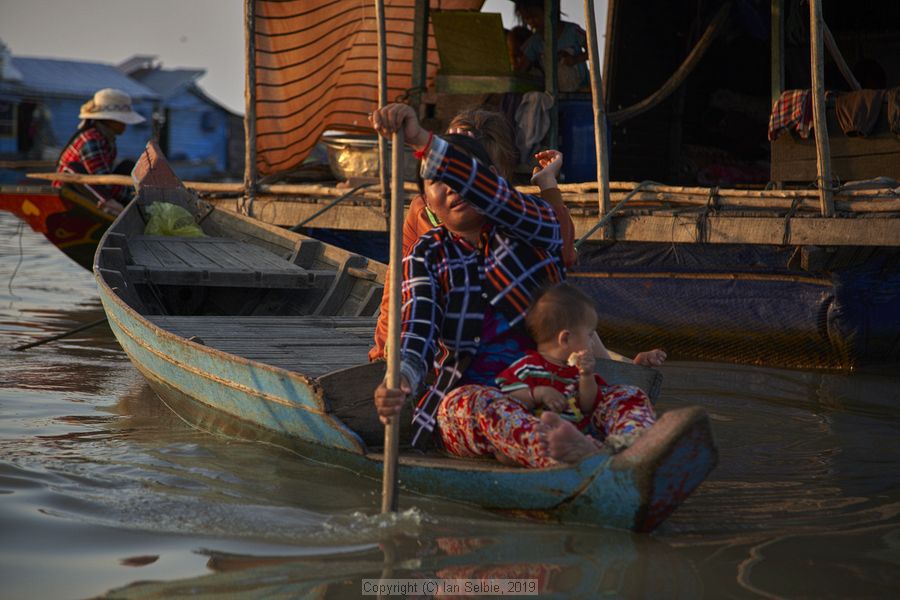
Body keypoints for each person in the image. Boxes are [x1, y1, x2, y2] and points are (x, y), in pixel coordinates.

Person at [367, 108, 578, 362]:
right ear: (427, 195)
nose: (458, 187)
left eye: (471, 173)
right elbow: (407, 303)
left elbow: (560, 249)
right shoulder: (427, 245)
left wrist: (547, 185)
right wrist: (388, 356)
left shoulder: (520, 222)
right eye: (444, 174)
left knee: (580, 323)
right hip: (467, 360)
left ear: (497, 176)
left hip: (534, 362)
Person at [495, 282, 657, 452]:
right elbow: (509, 398)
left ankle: (628, 439)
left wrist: (586, 377)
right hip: (539, 435)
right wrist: (536, 393)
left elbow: (588, 405)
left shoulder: (578, 371)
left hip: (579, 436)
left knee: (630, 393)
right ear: (565, 339)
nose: (592, 342)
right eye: (589, 335)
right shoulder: (526, 367)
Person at [55, 88, 145, 215]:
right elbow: (102, 182)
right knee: (72, 169)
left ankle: (125, 206)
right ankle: (112, 206)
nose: (125, 125)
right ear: (109, 120)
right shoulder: (92, 139)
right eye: (122, 120)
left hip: (95, 187)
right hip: (74, 190)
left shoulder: (106, 139)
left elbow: (106, 178)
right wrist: (135, 198)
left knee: (128, 166)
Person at [513, 0, 590, 92]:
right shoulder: (534, 42)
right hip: (555, 97)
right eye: (527, 19)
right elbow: (521, 70)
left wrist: (575, 59)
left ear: (549, 11)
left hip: (582, 92)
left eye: (534, 16)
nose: (531, 22)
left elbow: (592, 51)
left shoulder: (573, 31)